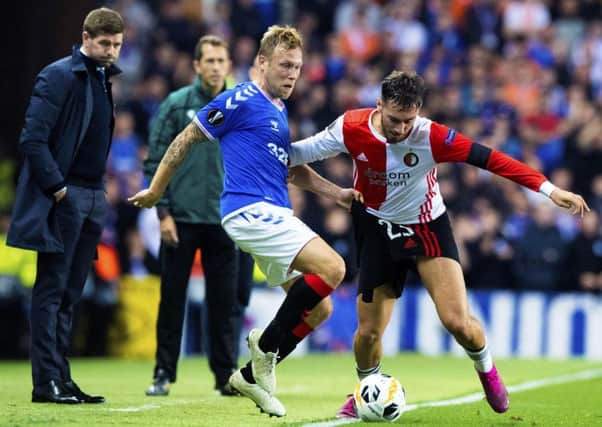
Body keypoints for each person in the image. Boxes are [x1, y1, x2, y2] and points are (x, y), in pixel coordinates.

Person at [289, 71, 590, 417]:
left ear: (418, 111)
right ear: (378, 105)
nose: (401, 128)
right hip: (374, 228)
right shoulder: (350, 127)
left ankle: (488, 371)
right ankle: (365, 391)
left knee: (457, 322)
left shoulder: (431, 136)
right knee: (369, 333)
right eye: (393, 119)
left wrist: (550, 191)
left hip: (426, 228)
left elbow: (493, 160)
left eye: (407, 120)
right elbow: (299, 153)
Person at [129, 25, 362, 417]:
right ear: (262, 62)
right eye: (285, 65)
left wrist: (336, 193)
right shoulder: (240, 99)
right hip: (250, 210)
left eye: (298, 67)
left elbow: (289, 167)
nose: (292, 74)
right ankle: (264, 347)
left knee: (320, 308)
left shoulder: (278, 110)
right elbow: (186, 138)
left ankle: (251, 377)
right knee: (334, 267)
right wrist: (155, 192)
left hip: (272, 212)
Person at [6, 8, 125, 403]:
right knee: (52, 290)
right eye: (104, 43)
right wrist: (58, 188)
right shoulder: (57, 75)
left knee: (71, 293)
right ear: (86, 37)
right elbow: (32, 139)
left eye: (117, 45)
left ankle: (62, 376)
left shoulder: (101, 77)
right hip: (67, 194)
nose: (111, 51)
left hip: (92, 196)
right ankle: (45, 383)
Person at [143, 35, 244, 397]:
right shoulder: (176, 104)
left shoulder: (241, 105)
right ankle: (162, 373)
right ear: (196, 66)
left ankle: (225, 376)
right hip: (181, 220)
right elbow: (155, 159)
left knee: (224, 303)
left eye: (222, 60)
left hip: (225, 219)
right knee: (172, 298)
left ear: (229, 65)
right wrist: (164, 214)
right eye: (210, 61)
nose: (216, 67)